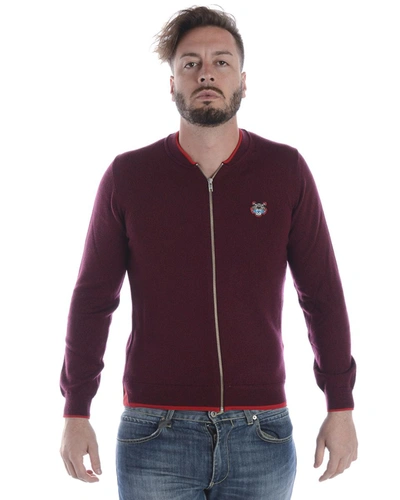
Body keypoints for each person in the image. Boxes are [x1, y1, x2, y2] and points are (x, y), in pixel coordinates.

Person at [60, 6, 358, 499]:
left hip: (261, 432)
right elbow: (93, 301)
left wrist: (340, 405)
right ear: (171, 83)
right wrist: (76, 409)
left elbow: (321, 295)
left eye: (221, 62)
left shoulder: (285, 171)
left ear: (243, 80)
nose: (206, 73)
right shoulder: (128, 177)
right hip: (154, 432)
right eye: (190, 63)